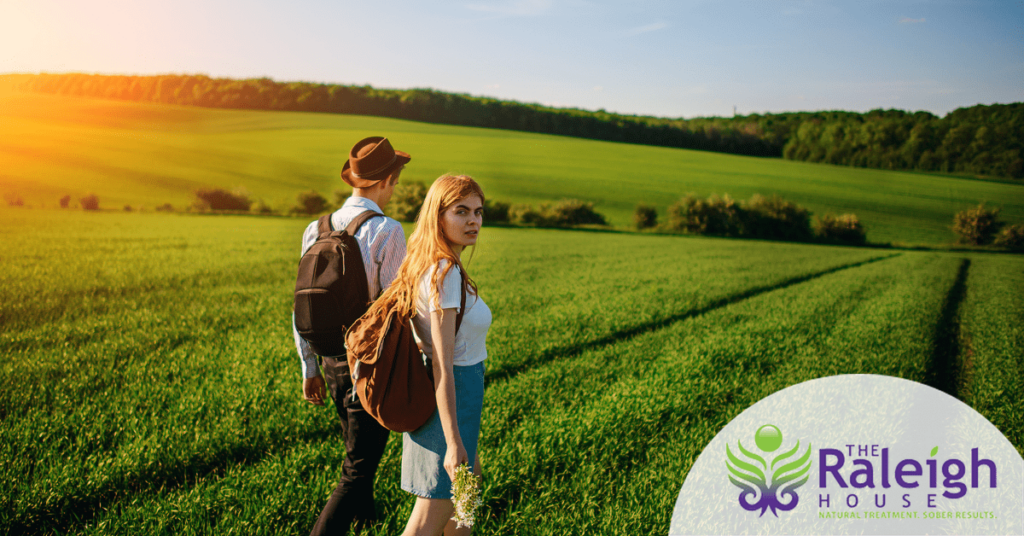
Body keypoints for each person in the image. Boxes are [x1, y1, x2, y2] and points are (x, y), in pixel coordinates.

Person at [292, 136, 411, 535]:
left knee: (358, 458)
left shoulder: (315, 228)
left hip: (329, 363)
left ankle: (366, 523)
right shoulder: (386, 230)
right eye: (395, 182)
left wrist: (309, 366)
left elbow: (302, 303)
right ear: (387, 181)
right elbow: (397, 308)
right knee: (357, 469)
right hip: (369, 365)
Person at [368, 174, 491, 536]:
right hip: (450, 399)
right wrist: (453, 443)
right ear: (438, 216)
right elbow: (442, 361)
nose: (473, 221)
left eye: (479, 212)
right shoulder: (444, 272)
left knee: (466, 498)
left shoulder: (430, 264)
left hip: (459, 398)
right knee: (427, 519)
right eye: (461, 211)